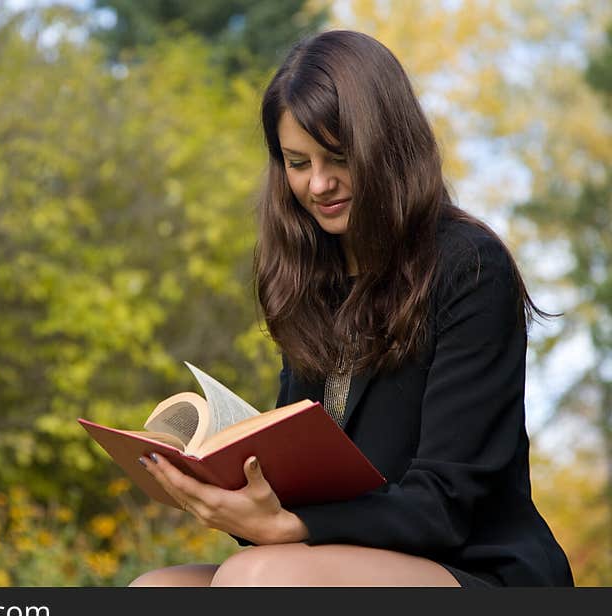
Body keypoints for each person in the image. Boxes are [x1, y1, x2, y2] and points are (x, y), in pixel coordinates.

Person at [129, 29, 574, 587]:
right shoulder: (310, 281)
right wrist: (231, 497)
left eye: (339, 157)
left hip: (476, 568)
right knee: (156, 590)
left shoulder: (470, 266)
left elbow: (443, 508)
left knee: (263, 576)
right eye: (297, 162)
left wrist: (287, 528)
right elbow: (298, 491)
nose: (319, 184)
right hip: (338, 559)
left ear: (388, 146)